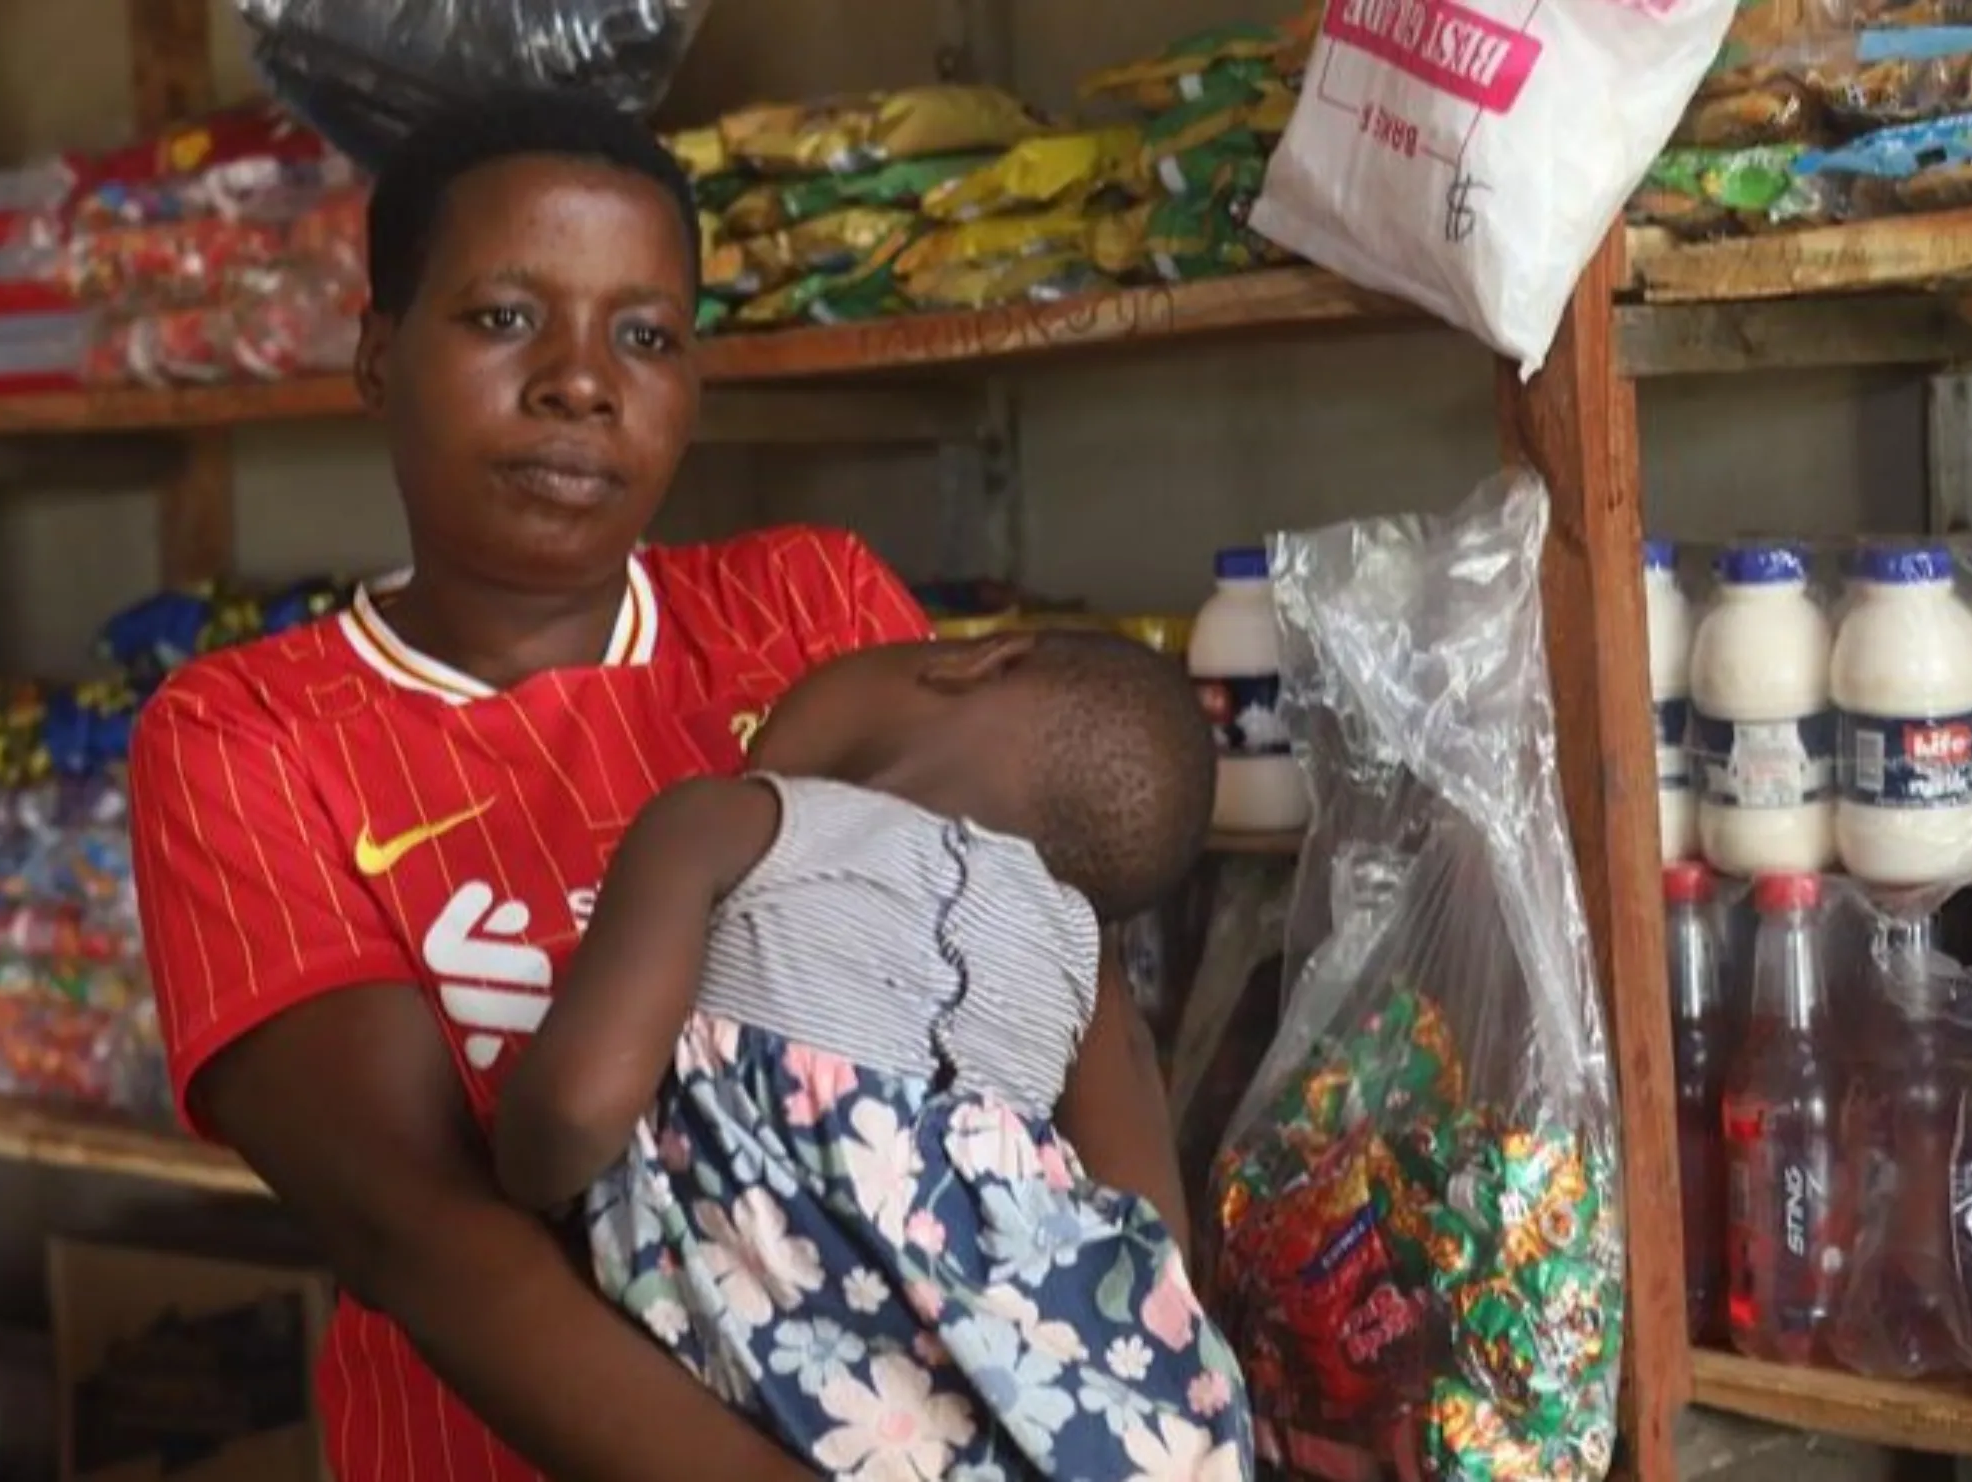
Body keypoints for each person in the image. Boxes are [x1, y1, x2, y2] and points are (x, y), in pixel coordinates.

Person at [126, 89, 1191, 1482]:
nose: (581, 380)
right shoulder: (247, 734)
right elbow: (423, 1229)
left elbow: (1064, 1007)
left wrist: (1138, 1390)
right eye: (506, 317)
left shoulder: (809, 610)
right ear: (378, 355)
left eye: (645, 336)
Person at [490, 629, 1255, 1480]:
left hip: (786, 1404)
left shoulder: (729, 823)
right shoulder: (1080, 955)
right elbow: (1148, 1248)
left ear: (980, 658)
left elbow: (573, 1107)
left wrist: (508, 1164)